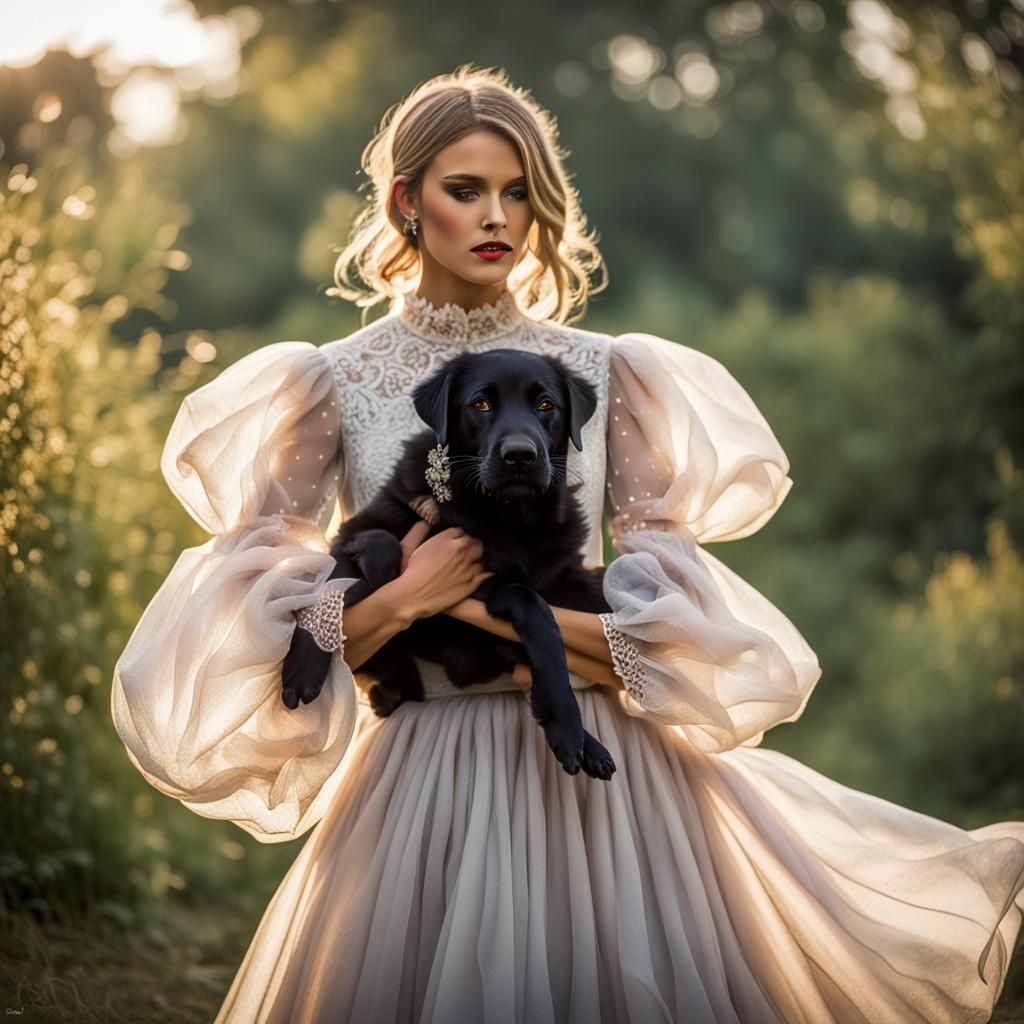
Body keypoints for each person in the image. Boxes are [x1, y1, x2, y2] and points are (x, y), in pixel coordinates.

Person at [111, 64, 1024, 1023]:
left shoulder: (604, 373)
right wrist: (410, 598)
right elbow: (285, 646)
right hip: (427, 787)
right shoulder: (326, 385)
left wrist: (500, 619)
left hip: (612, 784)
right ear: (405, 201)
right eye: (466, 190)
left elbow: (664, 637)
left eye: (519, 193)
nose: (497, 215)